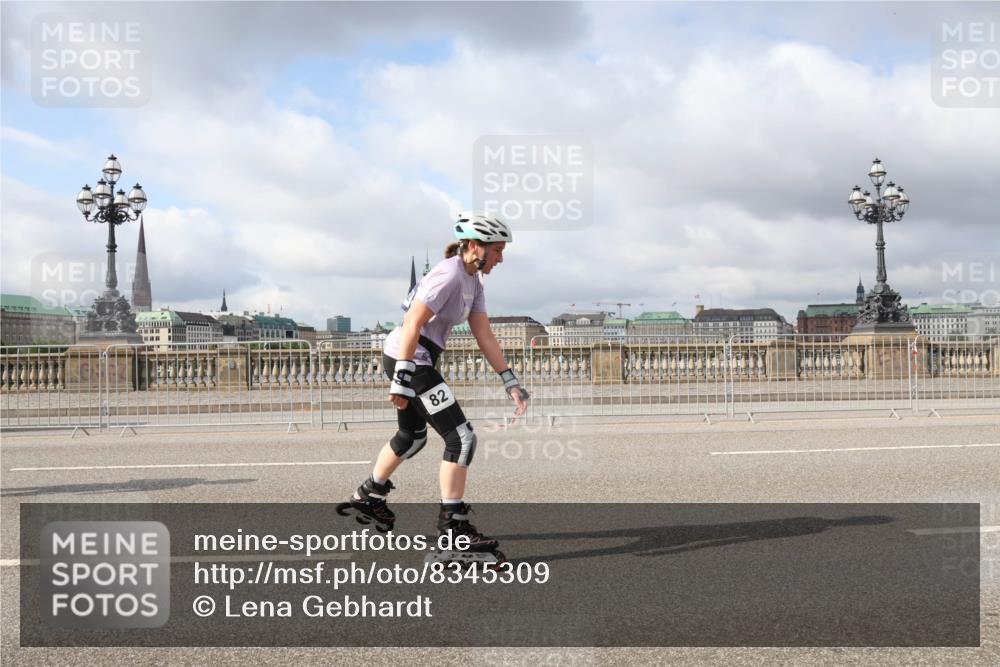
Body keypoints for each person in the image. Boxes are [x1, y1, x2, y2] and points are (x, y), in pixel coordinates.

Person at [336, 212, 530, 562]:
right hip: (412, 358)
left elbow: (483, 333)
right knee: (462, 438)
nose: (501, 258)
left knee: (413, 437)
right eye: (498, 250)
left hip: (412, 357)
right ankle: (451, 532)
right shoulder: (448, 275)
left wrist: (509, 380)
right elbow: (412, 323)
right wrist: (403, 379)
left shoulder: (473, 282)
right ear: (475, 247)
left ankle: (370, 493)